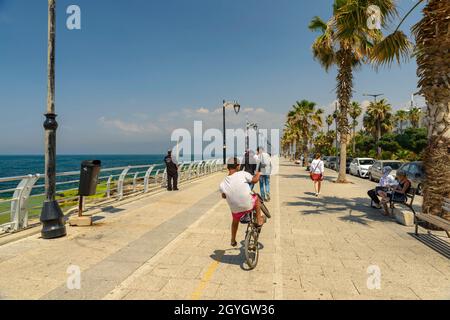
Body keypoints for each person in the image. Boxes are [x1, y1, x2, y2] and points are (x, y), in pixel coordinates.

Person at [220, 157, 264, 247]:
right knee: (256, 198)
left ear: (228, 167)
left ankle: (233, 240)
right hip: (248, 204)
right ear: (238, 166)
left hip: (236, 210)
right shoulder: (243, 174)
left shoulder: (222, 183)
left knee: (235, 222)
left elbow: (224, 196)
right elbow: (254, 180)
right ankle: (259, 219)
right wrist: (259, 173)